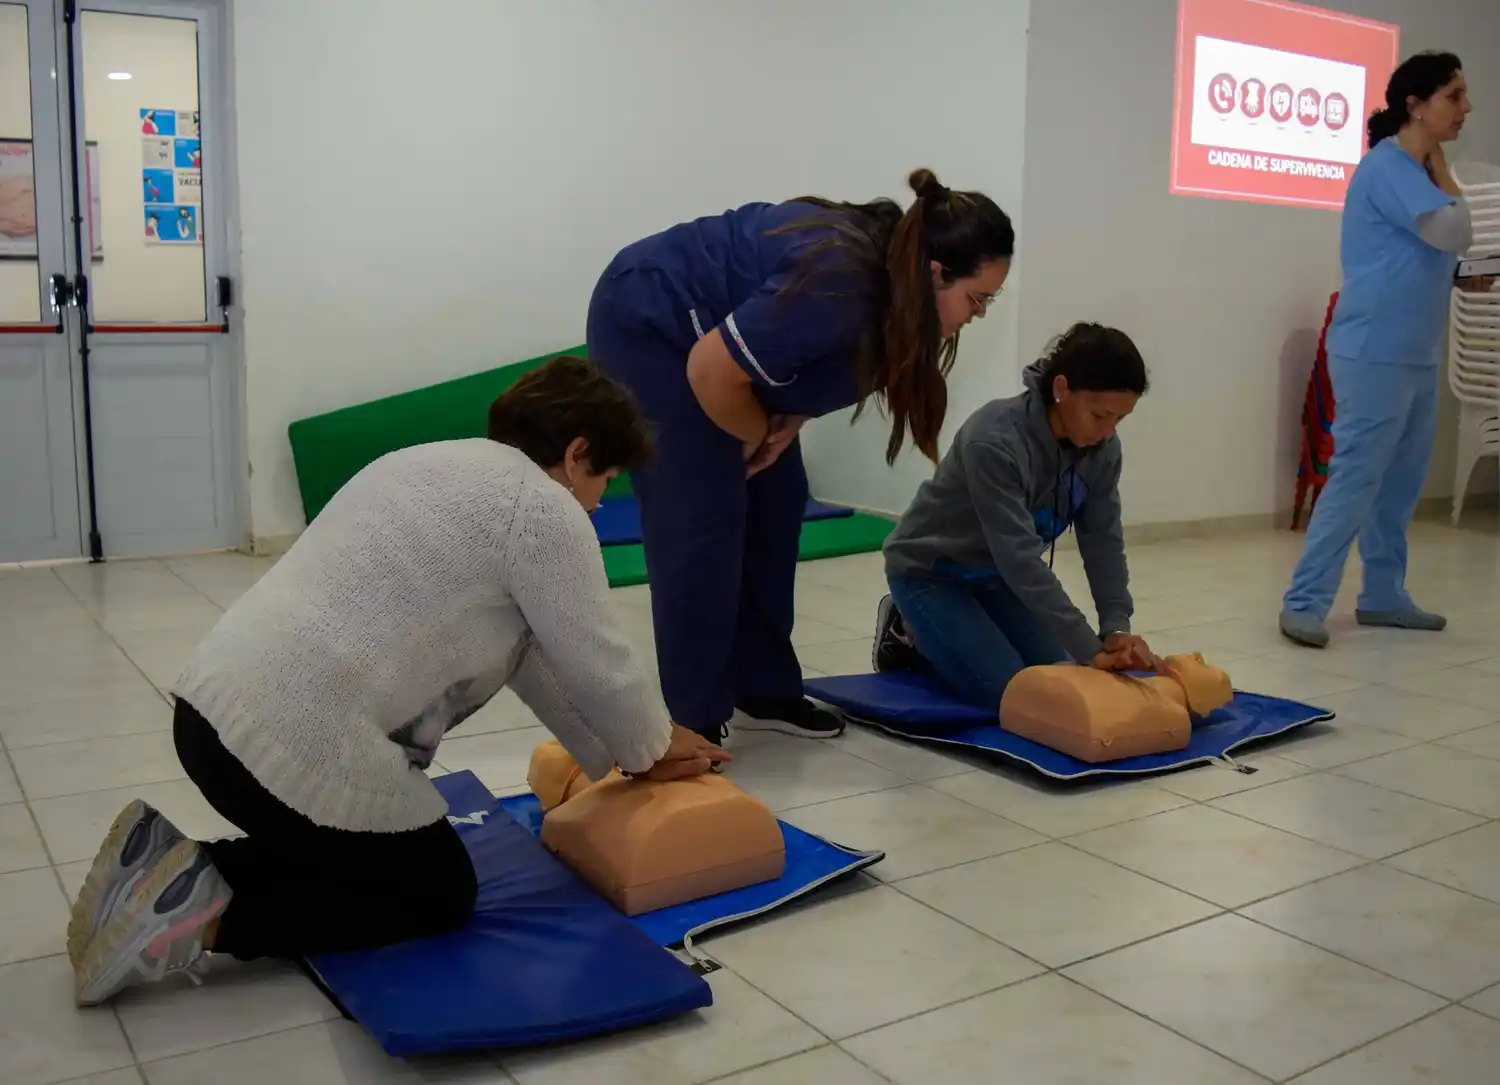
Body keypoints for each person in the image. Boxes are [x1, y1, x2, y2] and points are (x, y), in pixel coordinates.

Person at [67, 356, 730, 1007]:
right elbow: (599, 659)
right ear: (579, 452)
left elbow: (539, 661)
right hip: (284, 748)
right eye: (606, 478)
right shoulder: (541, 508)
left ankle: (163, 863)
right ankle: (191, 918)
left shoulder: (425, 463)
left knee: (357, 856)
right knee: (431, 888)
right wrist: (652, 747)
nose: (599, 500)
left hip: (208, 715)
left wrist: (625, 755)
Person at [589, 169, 1015, 744]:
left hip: (717, 350)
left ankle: (761, 690)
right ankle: (692, 722)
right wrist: (751, 432)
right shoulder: (839, 280)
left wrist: (786, 421)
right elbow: (711, 371)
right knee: (701, 515)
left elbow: (819, 364)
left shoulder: (897, 285)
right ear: (937, 272)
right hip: (652, 319)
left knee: (778, 497)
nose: (978, 315)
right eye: (977, 299)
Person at [1280, 52, 1495, 648]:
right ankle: (1303, 601)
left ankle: (1382, 595)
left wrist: (1455, 276)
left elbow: (1409, 254)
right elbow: (1455, 229)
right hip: (1374, 349)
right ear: (1416, 106)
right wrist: (1445, 168)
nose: (1466, 108)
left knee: (1400, 483)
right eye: (1454, 96)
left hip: (1414, 349)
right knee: (1355, 477)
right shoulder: (1390, 166)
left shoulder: (1412, 173)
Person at [874, 323, 1157, 709]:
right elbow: (1020, 559)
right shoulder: (993, 439)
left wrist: (1115, 628)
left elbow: (1102, 538)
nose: (1107, 432)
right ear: (1061, 389)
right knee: (1010, 693)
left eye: (1118, 420)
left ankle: (955, 630)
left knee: (1059, 674)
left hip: (997, 578)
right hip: (932, 573)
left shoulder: (1102, 449)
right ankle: (906, 629)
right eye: (1099, 415)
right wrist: (1089, 647)